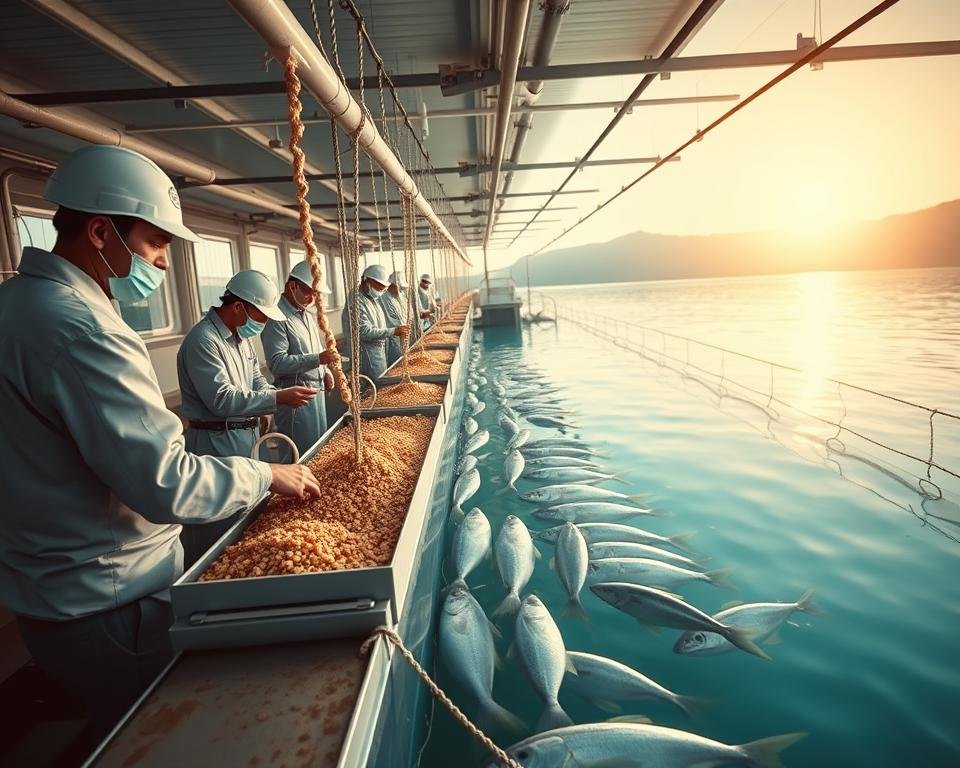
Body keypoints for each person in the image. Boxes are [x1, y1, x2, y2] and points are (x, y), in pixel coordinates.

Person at [0, 145, 321, 744]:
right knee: (164, 741)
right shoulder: (85, 329)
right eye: (155, 244)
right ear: (101, 232)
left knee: (115, 732)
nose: (165, 263)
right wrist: (264, 477)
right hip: (110, 600)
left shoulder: (16, 307)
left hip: (51, 594)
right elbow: (164, 483)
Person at [177, 268, 318, 566]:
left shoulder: (242, 341)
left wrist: (271, 398)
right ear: (239, 306)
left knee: (246, 518)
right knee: (218, 524)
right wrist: (277, 398)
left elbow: (258, 382)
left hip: (246, 437)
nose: (264, 323)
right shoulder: (203, 341)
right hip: (215, 442)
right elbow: (221, 399)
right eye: (261, 315)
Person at [261, 260, 336, 459]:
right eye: (307, 291)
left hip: (316, 394)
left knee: (319, 450)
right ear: (291, 285)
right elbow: (277, 362)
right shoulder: (277, 317)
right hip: (296, 399)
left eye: (315, 294)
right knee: (299, 456)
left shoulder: (306, 315)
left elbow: (316, 349)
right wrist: (318, 360)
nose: (311, 298)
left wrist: (325, 371)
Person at [341, 263, 409, 379]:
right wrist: (393, 331)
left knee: (380, 385)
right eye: (379, 287)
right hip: (365, 356)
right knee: (371, 389)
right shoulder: (356, 300)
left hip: (377, 353)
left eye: (383, 289)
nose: (381, 291)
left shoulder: (372, 298)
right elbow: (364, 331)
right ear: (366, 281)